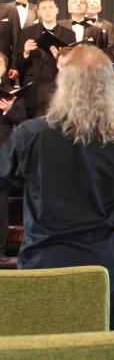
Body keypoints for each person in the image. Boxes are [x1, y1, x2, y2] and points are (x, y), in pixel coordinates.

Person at [0, 45, 114, 330]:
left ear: (63, 83)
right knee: (97, 344)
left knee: (45, 344)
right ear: (108, 87)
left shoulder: (30, 134)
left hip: (44, 261)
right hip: (102, 264)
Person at [16, 0, 76, 118]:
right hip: (33, 89)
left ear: (57, 10)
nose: (47, 11)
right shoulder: (27, 32)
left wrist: (60, 57)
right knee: (32, 124)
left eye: (50, 7)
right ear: (38, 12)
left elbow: (73, 66)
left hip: (58, 87)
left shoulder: (69, 34)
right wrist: (25, 52)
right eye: (44, 8)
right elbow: (19, 65)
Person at [0, 51, 27, 263]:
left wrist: (9, 110)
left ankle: (0, 250)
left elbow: (24, 120)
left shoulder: (12, 93)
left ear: (5, 68)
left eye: (0, 63)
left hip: (2, 154)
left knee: (1, 205)